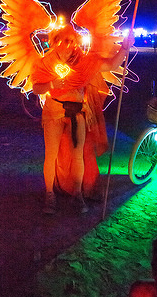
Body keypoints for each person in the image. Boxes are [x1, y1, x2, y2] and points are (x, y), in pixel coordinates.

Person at [32, 24, 134, 214]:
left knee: (78, 155)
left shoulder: (86, 62)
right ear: (56, 42)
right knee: (51, 154)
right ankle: (49, 195)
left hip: (77, 112)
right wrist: (52, 83)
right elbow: (36, 88)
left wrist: (125, 48)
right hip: (54, 111)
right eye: (65, 41)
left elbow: (111, 64)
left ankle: (77, 195)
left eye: (73, 41)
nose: (70, 45)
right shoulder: (45, 62)